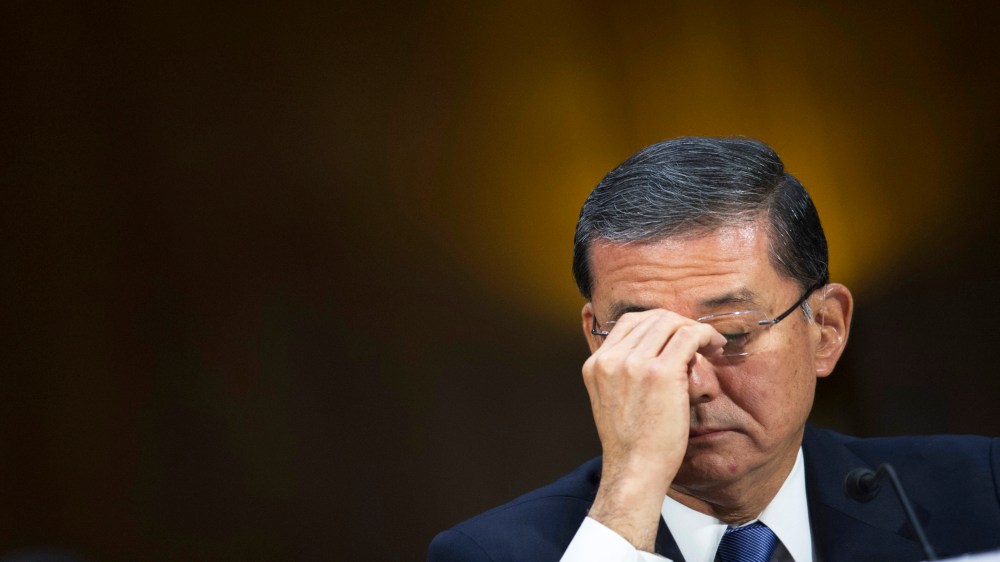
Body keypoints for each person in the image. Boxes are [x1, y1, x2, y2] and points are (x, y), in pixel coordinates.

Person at [427, 137, 1000, 562]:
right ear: (597, 345)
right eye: (645, 340)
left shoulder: (981, 491)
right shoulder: (487, 553)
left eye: (732, 335)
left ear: (825, 329)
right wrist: (629, 496)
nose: (691, 382)